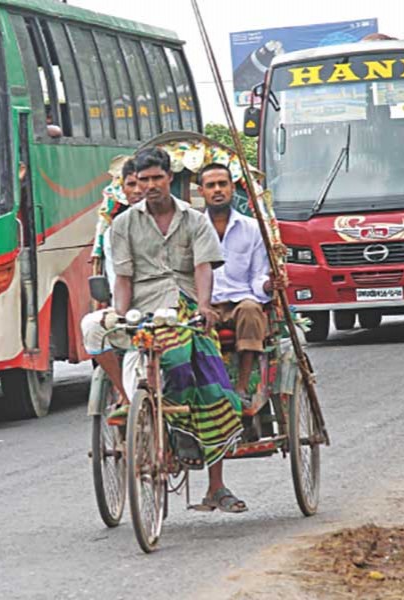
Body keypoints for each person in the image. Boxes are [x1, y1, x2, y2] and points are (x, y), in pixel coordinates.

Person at [111, 147, 248, 513]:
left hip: (188, 305)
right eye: (144, 180)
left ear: (169, 178)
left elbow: (204, 267)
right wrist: (119, 316)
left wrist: (204, 306)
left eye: (158, 177)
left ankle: (208, 470)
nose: (151, 185)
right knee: (108, 338)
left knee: (203, 375)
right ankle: (150, 418)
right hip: (146, 307)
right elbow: (123, 277)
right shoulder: (123, 224)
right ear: (136, 183)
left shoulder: (194, 220)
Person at [199, 163, 277, 403]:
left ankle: (242, 387)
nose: (217, 190)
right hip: (204, 303)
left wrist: (267, 286)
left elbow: (257, 276)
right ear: (202, 191)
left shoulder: (252, 228)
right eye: (211, 185)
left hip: (239, 303)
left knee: (252, 310)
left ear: (232, 188)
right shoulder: (193, 228)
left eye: (222, 184)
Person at [81, 159, 143, 406]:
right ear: (124, 190)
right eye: (132, 185)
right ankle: (125, 396)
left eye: (144, 183)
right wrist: (120, 311)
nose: (139, 190)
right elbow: (118, 276)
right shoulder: (114, 230)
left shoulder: (176, 219)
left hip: (164, 308)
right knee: (91, 326)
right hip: (127, 313)